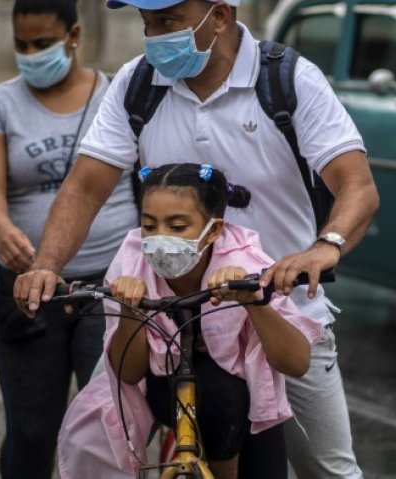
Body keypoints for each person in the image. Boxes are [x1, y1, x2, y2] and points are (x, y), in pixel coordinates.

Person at [15, 0, 378, 478]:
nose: (154, 35)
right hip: (166, 317)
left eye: (168, 20)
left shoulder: (289, 80)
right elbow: (86, 186)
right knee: (101, 443)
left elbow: (357, 185)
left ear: (220, 15)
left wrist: (324, 248)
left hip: (279, 315)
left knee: (328, 469)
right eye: (147, 22)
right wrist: (46, 265)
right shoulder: (138, 84)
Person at [0, 0, 136, 479]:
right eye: (21, 45)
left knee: (109, 428)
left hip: (107, 287)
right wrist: (2, 230)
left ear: (74, 36)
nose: (31, 54)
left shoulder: (118, 95)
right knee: (33, 431)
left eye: (43, 43)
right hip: (25, 291)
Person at [57, 163, 323, 479]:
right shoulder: (131, 262)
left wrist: (253, 301)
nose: (159, 238)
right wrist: (130, 310)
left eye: (177, 227)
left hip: (244, 403)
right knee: (101, 443)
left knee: (239, 419)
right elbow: (128, 373)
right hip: (160, 384)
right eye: (149, 225)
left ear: (213, 230)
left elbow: (297, 363)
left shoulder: (249, 265)